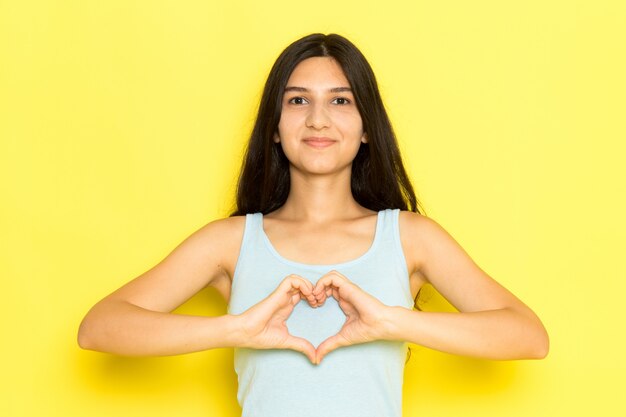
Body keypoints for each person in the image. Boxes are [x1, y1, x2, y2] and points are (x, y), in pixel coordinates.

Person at [78, 33, 549, 417]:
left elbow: (527, 335)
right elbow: (99, 327)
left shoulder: (409, 237)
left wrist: (388, 321)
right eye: (298, 100)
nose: (318, 119)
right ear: (274, 127)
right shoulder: (230, 241)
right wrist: (236, 329)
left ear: (367, 127)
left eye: (340, 100)